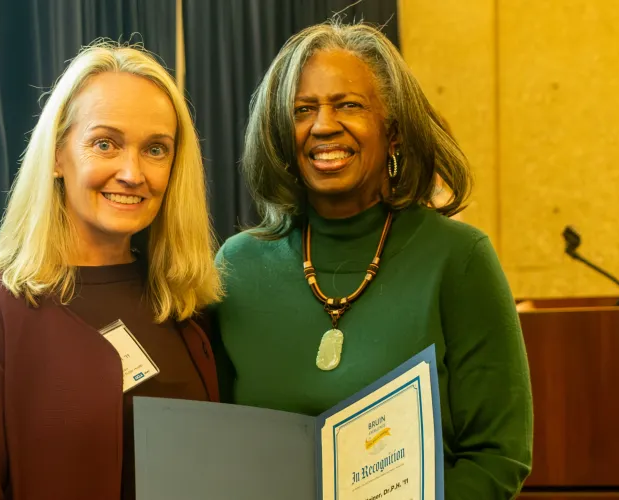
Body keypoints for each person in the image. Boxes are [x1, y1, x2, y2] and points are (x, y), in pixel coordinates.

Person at [211, 21, 533, 499]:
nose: (323, 125)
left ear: (395, 131)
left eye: (348, 105)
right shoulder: (238, 268)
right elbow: (212, 442)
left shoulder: (459, 259)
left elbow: (498, 455)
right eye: (303, 110)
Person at [0, 41, 223, 500]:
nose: (132, 172)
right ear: (58, 155)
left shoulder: (183, 304)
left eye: (155, 149)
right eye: (105, 144)